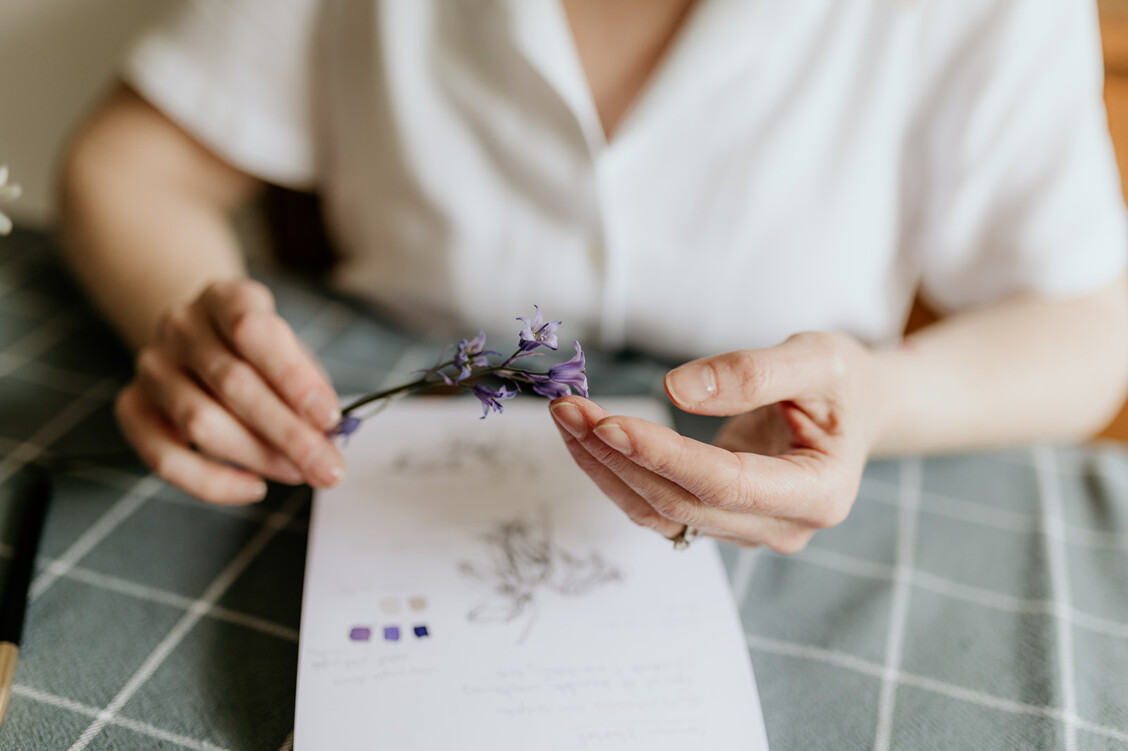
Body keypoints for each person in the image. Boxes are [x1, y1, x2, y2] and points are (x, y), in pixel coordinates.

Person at [59, 0, 1128, 553]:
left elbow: (1091, 325)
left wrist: (878, 396)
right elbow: (129, 163)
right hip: (359, 483)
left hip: (819, 524)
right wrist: (192, 319)